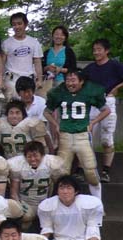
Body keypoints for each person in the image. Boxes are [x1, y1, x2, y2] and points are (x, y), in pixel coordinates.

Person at [44, 70, 110, 198]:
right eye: (68, 80)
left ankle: (98, 204)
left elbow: (106, 110)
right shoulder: (60, 92)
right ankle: (60, 202)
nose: (70, 83)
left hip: (82, 135)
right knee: (60, 173)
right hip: (65, 136)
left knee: (91, 172)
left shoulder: (89, 92)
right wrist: (56, 124)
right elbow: (46, 112)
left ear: (81, 81)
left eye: (73, 80)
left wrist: (93, 122)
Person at [83, 38, 123, 183]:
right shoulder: (90, 68)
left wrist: (117, 87)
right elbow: (79, 80)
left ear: (106, 51)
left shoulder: (114, 65)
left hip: (107, 101)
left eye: (99, 49)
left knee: (106, 139)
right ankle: (83, 170)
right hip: (92, 103)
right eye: (94, 50)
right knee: (86, 137)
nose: (96, 52)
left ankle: (106, 171)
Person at [1, 12, 43, 99]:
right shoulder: (6, 43)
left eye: (19, 24)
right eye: (14, 24)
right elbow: (2, 63)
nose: (17, 27)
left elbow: (37, 62)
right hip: (11, 80)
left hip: (29, 80)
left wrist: (39, 79)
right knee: (12, 105)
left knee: (28, 104)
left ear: (25, 24)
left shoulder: (34, 43)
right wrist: (1, 79)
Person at [42, 25, 77, 95]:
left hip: (63, 83)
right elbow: (41, 68)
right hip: (47, 84)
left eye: (62, 35)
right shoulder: (46, 52)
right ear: (52, 36)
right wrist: (47, 68)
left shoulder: (69, 51)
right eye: (57, 34)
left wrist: (60, 69)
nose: (59, 37)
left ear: (65, 37)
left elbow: (73, 69)